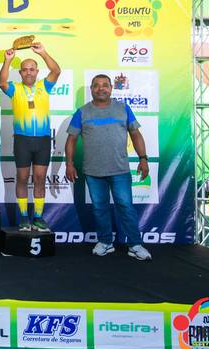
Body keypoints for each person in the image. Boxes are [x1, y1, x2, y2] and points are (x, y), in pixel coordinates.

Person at [65, 74, 152, 260]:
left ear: (111, 88)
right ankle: (105, 242)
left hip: (120, 170)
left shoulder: (123, 109)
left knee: (126, 206)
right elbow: (71, 139)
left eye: (105, 85)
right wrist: (69, 164)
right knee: (99, 207)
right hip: (93, 171)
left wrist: (143, 158)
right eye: (96, 85)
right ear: (91, 89)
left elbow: (135, 134)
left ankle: (135, 245)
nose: (101, 88)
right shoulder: (82, 112)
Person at [0, 42, 61, 232]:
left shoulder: (44, 86)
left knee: (40, 178)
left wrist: (43, 53)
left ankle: (38, 218)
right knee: (22, 178)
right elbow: (1, 83)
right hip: (22, 140)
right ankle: (24, 217)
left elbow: (56, 71)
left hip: (42, 141)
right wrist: (7, 60)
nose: (28, 73)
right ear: (20, 72)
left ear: (37, 71)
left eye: (32, 69)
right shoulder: (15, 89)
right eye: (25, 70)